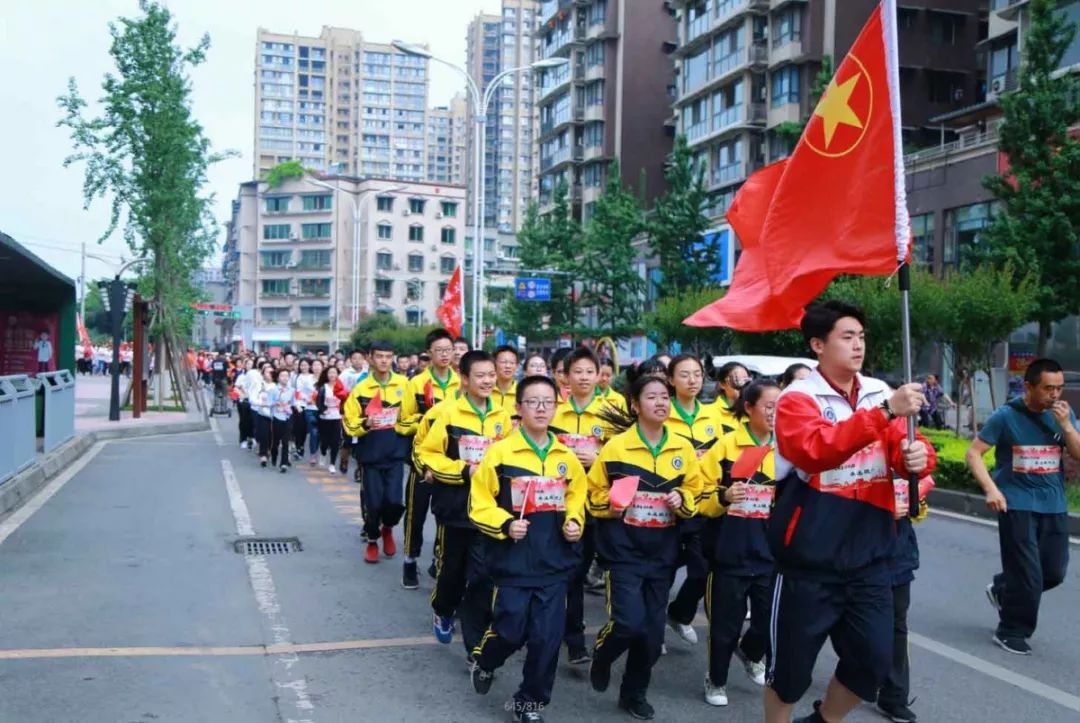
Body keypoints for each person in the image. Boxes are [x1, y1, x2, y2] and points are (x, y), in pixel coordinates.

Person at [766, 301, 935, 723]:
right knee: (790, 672)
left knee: (874, 663)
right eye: (847, 336)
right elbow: (816, 450)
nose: (858, 345)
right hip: (811, 559)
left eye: (861, 336)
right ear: (818, 345)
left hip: (871, 556)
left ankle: (823, 720)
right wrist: (883, 413)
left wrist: (919, 456)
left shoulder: (879, 391)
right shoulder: (797, 398)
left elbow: (902, 447)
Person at [468, 375, 588, 723]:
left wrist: (574, 522)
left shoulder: (565, 457)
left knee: (547, 640)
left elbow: (576, 497)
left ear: (556, 407)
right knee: (510, 630)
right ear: (518, 408)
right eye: (532, 401)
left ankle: (530, 703)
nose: (540, 408)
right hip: (513, 562)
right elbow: (479, 504)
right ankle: (486, 659)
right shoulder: (500, 454)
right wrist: (505, 524)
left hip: (554, 563)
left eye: (547, 402)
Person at [587, 373, 703, 721]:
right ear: (635, 405)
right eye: (652, 397)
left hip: (663, 554)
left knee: (652, 636)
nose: (661, 403)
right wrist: (611, 504)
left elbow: (695, 495)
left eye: (665, 397)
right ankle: (603, 655)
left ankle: (633, 693)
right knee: (627, 624)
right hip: (623, 552)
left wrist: (681, 498)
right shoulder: (617, 447)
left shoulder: (682, 448)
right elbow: (592, 496)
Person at [966, 357, 1078, 656]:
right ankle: (1011, 630)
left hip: (1053, 504)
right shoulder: (1006, 416)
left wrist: (1067, 426)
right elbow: (974, 453)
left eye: (1059, 388)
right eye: (1047, 388)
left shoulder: (1063, 416)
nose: (1054, 395)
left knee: (1052, 573)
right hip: (1016, 503)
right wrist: (991, 489)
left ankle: (1003, 589)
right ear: (1028, 386)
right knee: (1028, 576)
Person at [416, 350, 510, 662]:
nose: (487, 381)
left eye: (491, 375)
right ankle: (443, 610)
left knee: (483, 576)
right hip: (455, 508)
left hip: (489, 511)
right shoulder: (448, 413)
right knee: (452, 570)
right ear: (465, 379)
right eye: (480, 376)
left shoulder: (503, 414)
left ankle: (475, 646)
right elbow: (430, 454)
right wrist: (463, 470)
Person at [697, 380, 781, 707]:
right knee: (724, 626)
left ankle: (750, 652)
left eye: (781, 407)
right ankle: (716, 679)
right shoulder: (726, 446)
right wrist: (724, 495)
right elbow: (698, 495)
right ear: (748, 408)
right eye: (769, 406)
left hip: (770, 555)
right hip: (729, 553)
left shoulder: (786, 449)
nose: (776, 413)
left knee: (767, 622)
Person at [551, 347, 614, 666]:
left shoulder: (612, 411)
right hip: (560, 504)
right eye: (578, 372)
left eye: (591, 371)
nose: (585, 377)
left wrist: (599, 458)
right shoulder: (553, 411)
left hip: (600, 507)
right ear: (566, 376)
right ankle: (574, 639)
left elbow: (626, 456)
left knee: (598, 569)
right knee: (572, 573)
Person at [663, 354, 724, 648]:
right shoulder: (660, 413)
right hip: (669, 504)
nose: (692, 380)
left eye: (697, 374)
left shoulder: (714, 417)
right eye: (684, 374)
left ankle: (678, 614)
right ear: (671, 379)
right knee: (663, 570)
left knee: (701, 570)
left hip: (703, 506)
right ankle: (651, 629)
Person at [342, 340, 417, 564]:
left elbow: (412, 417)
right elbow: (350, 422)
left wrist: (402, 425)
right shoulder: (361, 389)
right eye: (379, 356)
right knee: (373, 503)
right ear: (370, 359)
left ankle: (388, 529)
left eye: (388, 356)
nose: (384, 360)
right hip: (370, 456)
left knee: (394, 501)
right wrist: (366, 423)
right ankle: (373, 539)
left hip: (395, 454)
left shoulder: (404, 384)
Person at [399, 329, 462, 590]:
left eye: (449, 350)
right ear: (429, 353)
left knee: (446, 514)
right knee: (416, 512)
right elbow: (402, 423)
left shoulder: (461, 383)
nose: (446, 355)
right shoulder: (416, 384)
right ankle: (410, 559)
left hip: (451, 460)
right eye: (440, 350)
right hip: (422, 459)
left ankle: (439, 560)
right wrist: (426, 420)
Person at [337, 349, 370, 477]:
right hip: (349, 411)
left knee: (362, 442)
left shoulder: (368, 373)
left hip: (364, 412)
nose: (357, 360)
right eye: (355, 358)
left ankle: (360, 469)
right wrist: (349, 395)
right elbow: (337, 390)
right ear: (350, 360)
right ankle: (344, 460)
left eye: (360, 358)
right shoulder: (345, 374)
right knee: (347, 441)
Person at [315, 365, 343, 475]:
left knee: (335, 441)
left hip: (337, 416)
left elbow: (345, 401)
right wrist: (322, 410)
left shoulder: (341, 387)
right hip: (325, 417)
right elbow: (318, 402)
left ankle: (332, 464)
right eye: (330, 373)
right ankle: (323, 453)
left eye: (334, 373)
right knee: (325, 441)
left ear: (337, 375)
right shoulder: (323, 387)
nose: (332, 375)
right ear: (327, 375)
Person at [710, 362, 750, 435]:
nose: (742, 385)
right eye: (736, 380)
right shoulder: (709, 413)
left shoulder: (752, 411)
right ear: (722, 384)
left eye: (745, 380)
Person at [267, 369, 295, 473]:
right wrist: (276, 403)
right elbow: (269, 403)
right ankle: (274, 456)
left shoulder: (292, 390)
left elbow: (293, 402)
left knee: (285, 441)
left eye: (287, 376)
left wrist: (292, 407)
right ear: (278, 378)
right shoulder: (273, 389)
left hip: (287, 417)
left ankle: (283, 463)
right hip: (277, 417)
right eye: (282, 376)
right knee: (275, 441)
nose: (284, 378)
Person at [252, 364, 275, 467]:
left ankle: (270, 449)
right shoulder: (259, 385)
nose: (270, 374)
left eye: (272, 372)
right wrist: (262, 403)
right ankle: (263, 454)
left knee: (272, 435)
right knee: (263, 434)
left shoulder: (277, 385)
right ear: (263, 374)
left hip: (276, 416)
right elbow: (252, 399)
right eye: (267, 372)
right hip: (263, 414)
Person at [492, 345, 520, 419]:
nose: (508, 366)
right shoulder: (486, 391)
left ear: (517, 366)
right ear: (494, 364)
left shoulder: (522, 393)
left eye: (512, 363)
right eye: (503, 362)